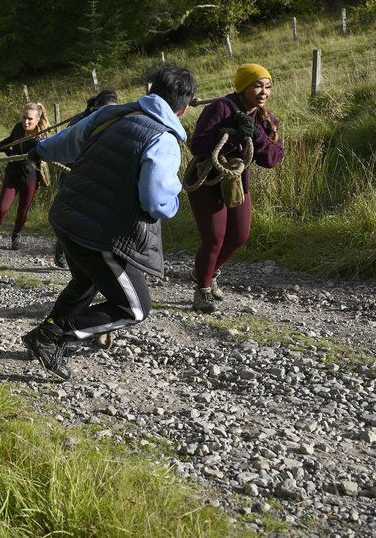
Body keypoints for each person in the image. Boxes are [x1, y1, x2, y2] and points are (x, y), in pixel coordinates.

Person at [20, 66, 195, 381]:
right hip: (99, 234)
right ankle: (51, 337)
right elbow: (155, 200)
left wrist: (40, 150)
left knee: (86, 281)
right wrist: (174, 204)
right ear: (182, 109)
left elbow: (68, 141)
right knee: (135, 308)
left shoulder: (111, 115)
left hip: (67, 216)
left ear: (151, 91)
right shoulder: (164, 140)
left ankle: (47, 338)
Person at [187, 63, 283, 313]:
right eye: (258, 85)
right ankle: (202, 292)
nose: (264, 91)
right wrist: (230, 135)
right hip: (207, 180)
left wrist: (255, 136)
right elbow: (197, 145)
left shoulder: (266, 120)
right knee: (214, 238)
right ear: (243, 87)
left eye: (268, 86)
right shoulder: (219, 108)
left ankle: (206, 272)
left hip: (237, 182)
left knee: (239, 237)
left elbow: (272, 159)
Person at [52, 90, 119, 268]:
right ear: (96, 107)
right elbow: (67, 145)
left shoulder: (117, 121)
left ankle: (87, 255)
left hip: (96, 174)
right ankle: (62, 248)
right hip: (72, 172)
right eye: (106, 109)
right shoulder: (79, 121)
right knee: (70, 214)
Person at [0, 102, 50, 251]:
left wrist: (10, 153)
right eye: (24, 118)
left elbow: (32, 157)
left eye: (29, 119)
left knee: (22, 211)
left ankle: (16, 236)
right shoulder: (18, 127)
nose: (26, 122)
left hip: (30, 177)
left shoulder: (41, 136)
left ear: (37, 119)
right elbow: (10, 141)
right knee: (3, 208)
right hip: (13, 174)